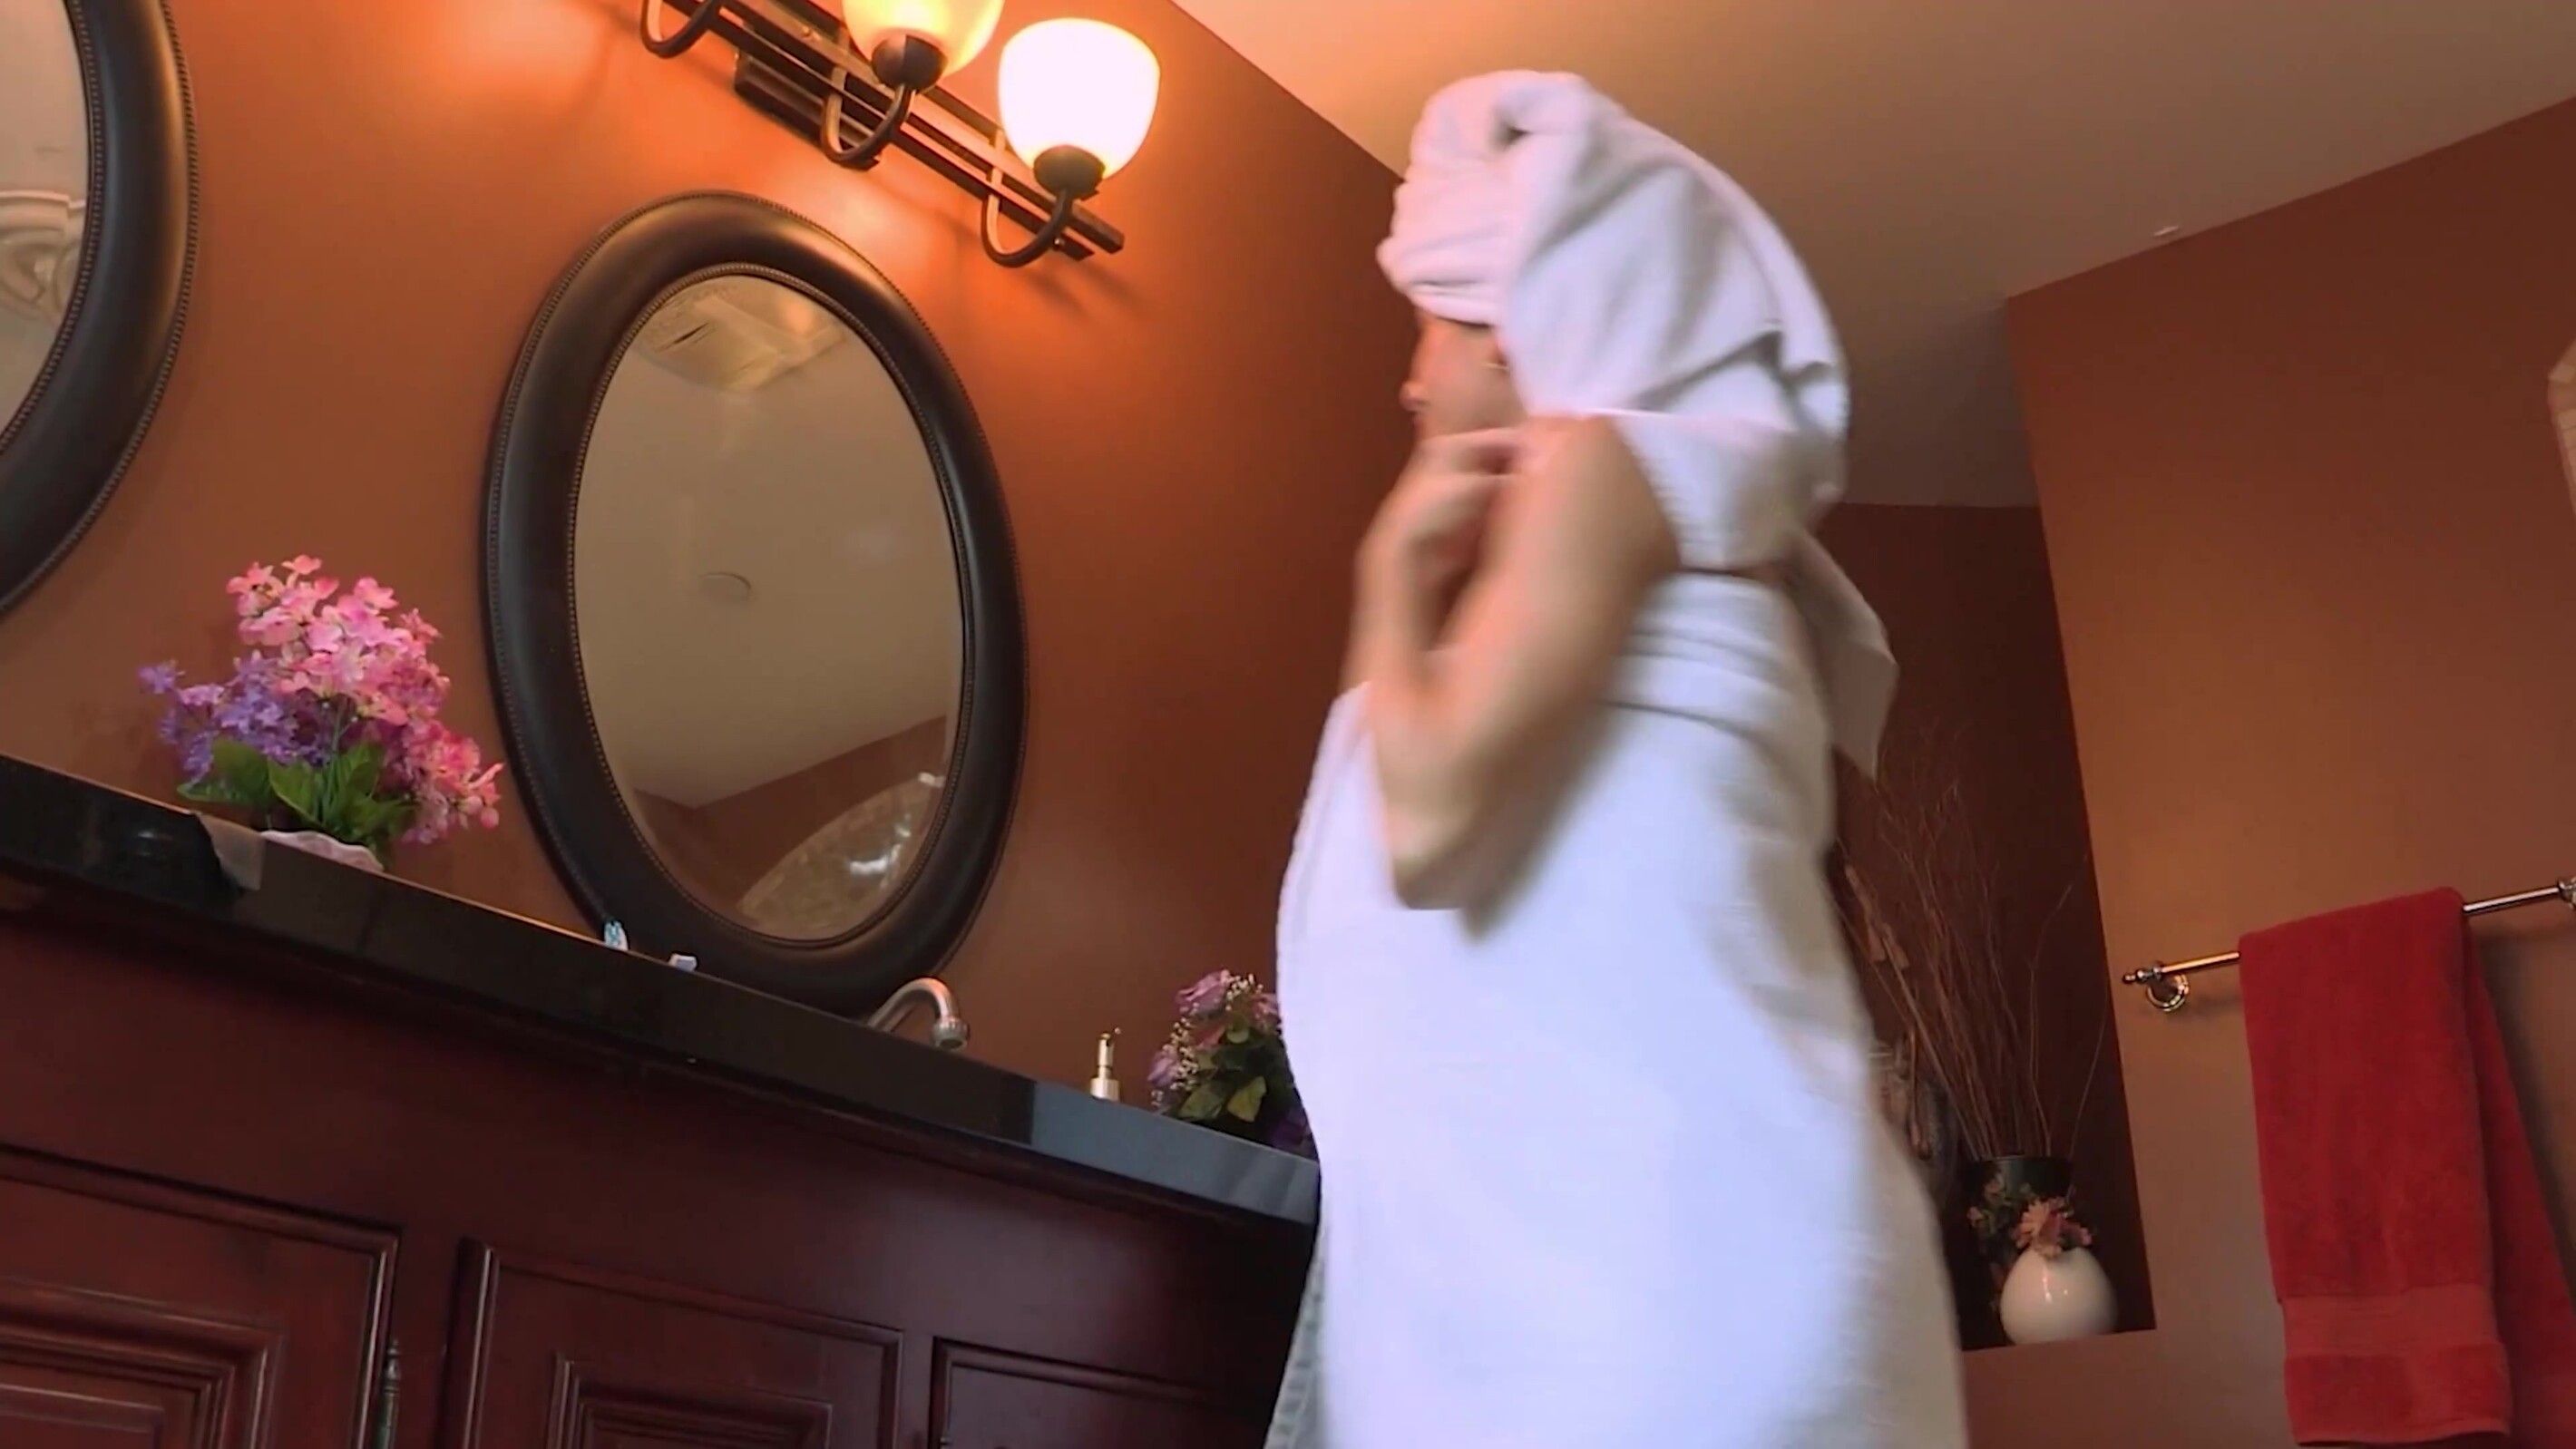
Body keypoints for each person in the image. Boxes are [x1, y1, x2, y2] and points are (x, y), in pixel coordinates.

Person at [1265, 73, 1967, 1448]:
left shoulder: (1611, 470)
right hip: (1708, 1275)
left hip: (1672, 1294)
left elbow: (1429, 830)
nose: (1411, 375)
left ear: (1518, 327)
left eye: (1430, 324)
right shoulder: (1688, 536)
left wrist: (1388, 580)